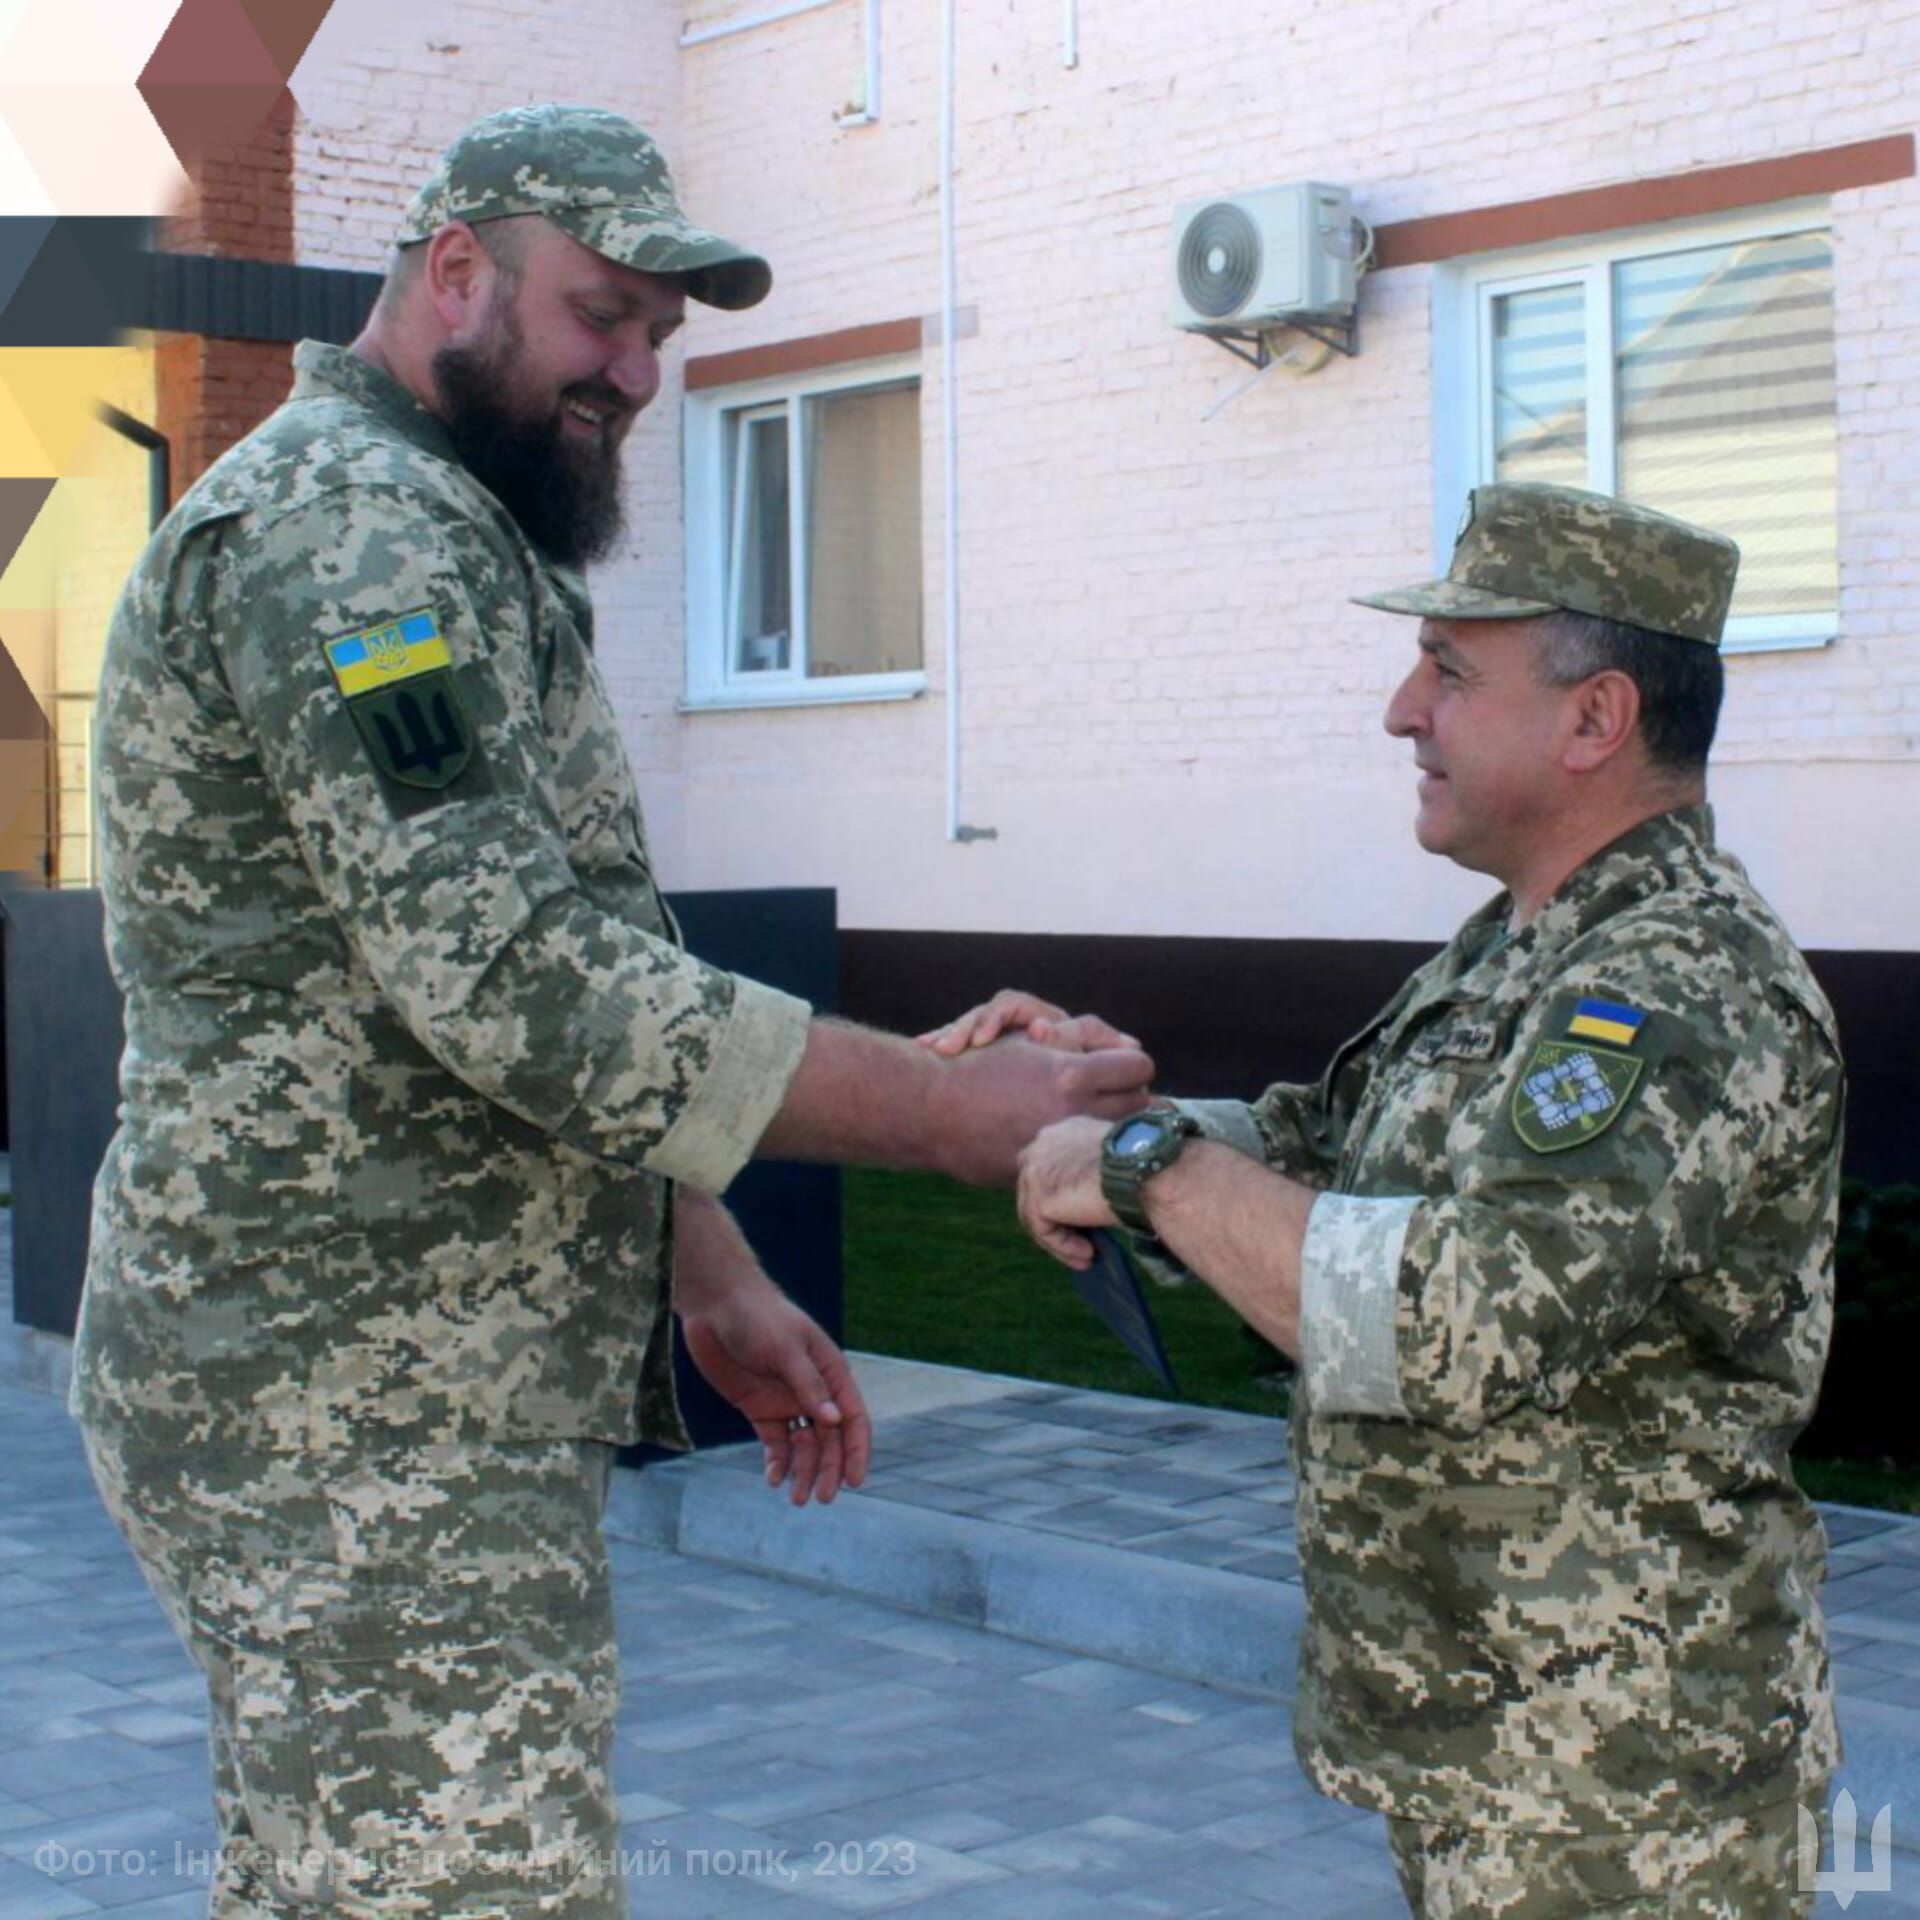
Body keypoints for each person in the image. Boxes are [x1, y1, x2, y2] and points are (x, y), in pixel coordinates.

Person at [74, 104, 1152, 1918]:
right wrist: (957, 1115)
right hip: (343, 1409)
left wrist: (698, 1251)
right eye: (605, 315)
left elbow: (542, 937)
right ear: (453, 273)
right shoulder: (357, 541)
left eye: (664, 333)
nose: (639, 371)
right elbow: (513, 978)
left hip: (380, 1387)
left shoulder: (443, 525)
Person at [942, 483, 1846, 1918]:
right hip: (1500, 1752)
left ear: (1594, 720)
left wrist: (1144, 1170)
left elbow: (1451, 1324)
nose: (1399, 710)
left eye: (1450, 671)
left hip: (1622, 1795)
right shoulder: (1522, 949)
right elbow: (1332, 1153)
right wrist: (1114, 1110)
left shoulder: (1674, 984)